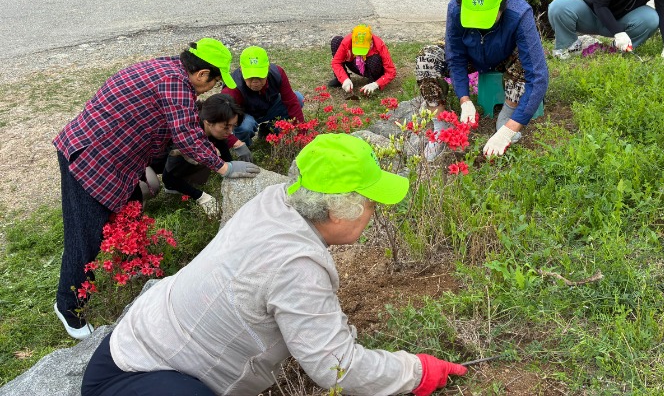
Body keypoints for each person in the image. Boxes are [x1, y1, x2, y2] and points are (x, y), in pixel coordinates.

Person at [81, 134, 468, 396]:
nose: (375, 211)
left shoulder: (276, 201)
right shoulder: (295, 265)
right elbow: (339, 367)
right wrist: (417, 372)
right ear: (339, 208)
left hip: (136, 344)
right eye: (370, 202)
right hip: (144, 380)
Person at [53, 39, 262, 341]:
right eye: (214, 81)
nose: (212, 88)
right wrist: (225, 168)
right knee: (84, 234)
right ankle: (68, 306)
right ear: (202, 74)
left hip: (115, 156)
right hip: (91, 157)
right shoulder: (177, 84)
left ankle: (132, 266)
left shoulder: (169, 69)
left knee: (132, 204)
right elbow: (189, 135)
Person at [415, 0, 549, 158]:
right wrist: (464, 99)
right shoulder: (456, 8)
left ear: (502, 6)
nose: (479, 24)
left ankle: (508, 113)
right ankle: (440, 124)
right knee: (427, 57)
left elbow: (538, 76)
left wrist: (509, 130)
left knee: (526, 60)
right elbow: (455, 56)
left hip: (505, 56)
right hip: (472, 54)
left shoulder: (519, 13)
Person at [162, 93, 252, 216]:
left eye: (233, 126)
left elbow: (223, 148)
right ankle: (174, 187)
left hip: (177, 158)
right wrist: (200, 196)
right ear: (208, 122)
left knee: (209, 157)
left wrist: (233, 169)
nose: (230, 132)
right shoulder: (186, 138)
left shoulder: (211, 125)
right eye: (226, 127)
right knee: (203, 157)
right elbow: (167, 177)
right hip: (151, 164)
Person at [222, 46, 305, 145]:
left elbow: (292, 102)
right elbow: (222, 120)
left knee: (298, 98)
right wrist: (236, 144)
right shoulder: (232, 87)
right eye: (250, 77)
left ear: (268, 68)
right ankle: (246, 144)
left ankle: (270, 130)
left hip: (269, 108)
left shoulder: (278, 73)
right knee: (246, 126)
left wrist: (302, 134)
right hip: (245, 115)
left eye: (260, 76)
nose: (255, 82)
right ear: (241, 70)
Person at [328, 24, 397, 95]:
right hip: (355, 63)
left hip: (372, 67)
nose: (360, 54)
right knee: (336, 41)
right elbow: (336, 62)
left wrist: (376, 84)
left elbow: (391, 71)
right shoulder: (348, 41)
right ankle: (342, 81)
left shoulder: (379, 44)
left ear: (370, 43)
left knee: (375, 59)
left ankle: (372, 81)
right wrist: (344, 79)